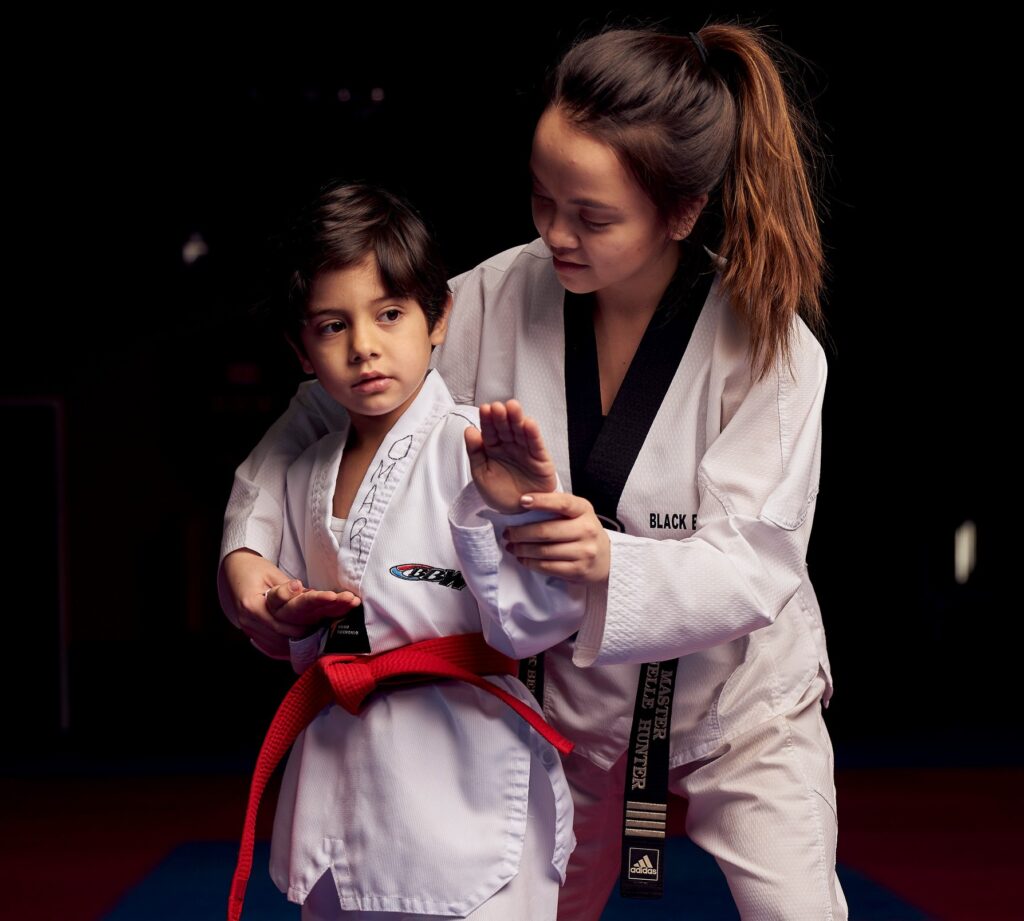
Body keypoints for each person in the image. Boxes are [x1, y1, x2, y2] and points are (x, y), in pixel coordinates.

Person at [220, 24, 847, 921]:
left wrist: (604, 561)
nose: (553, 232)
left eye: (591, 216)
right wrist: (248, 550)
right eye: (542, 198)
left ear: (682, 210)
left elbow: (756, 562)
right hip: (568, 715)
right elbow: (324, 405)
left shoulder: (772, 349)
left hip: (742, 708)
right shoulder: (490, 298)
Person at [226, 181, 588, 921]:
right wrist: (294, 617)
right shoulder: (304, 469)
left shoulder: (478, 447)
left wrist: (506, 508)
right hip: (345, 772)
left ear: (437, 318)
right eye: (333, 326)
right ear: (301, 348)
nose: (364, 346)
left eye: (389, 313)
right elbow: (299, 632)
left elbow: (544, 621)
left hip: (468, 770)